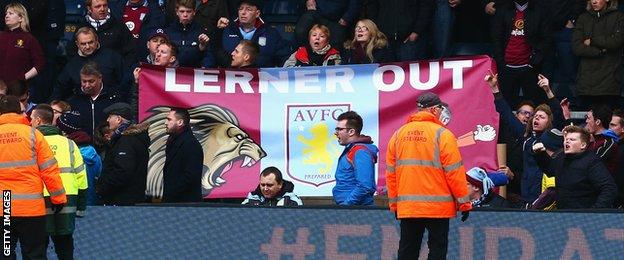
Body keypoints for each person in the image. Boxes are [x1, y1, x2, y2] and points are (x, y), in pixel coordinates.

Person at [386, 92, 472, 259]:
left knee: (407, 251)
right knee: (437, 252)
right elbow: (454, 173)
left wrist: (395, 205)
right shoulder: (443, 135)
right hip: (438, 208)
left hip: (409, 208)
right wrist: (464, 203)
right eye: (440, 108)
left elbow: (391, 174)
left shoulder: (398, 135)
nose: (441, 112)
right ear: (434, 110)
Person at [0, 94, 67, 259]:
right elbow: (49, 170)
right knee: (34, 254)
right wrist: (58, 199)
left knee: (5, 253)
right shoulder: (33, 135)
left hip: (4, 207)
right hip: (31, 209)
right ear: (19, 111)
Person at [486, 72, 565, 204]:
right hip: (527, 196)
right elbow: (507, 114)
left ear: (549, 122)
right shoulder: (526, 138)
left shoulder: (553, 138)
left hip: (548, 197)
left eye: (542, 117)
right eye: (536, 116)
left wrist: (548, 91)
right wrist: (495, 89)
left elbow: (559, 116)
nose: (536, 118)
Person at [30, 104, 88, 260]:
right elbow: (81, 177)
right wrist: (81, 207)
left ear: (38, 121)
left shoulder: (32, 144)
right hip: (67, 198)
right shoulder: (70, 144)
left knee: (38, 247)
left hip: (39, 199)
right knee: (65, 246)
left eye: (31, 119)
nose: (30, 123)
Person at [534, 125, 617, 209]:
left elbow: (609, 188)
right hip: (563, 215)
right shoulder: (561, 157)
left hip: (583, 217)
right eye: (566, 139)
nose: (567, 141)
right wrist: (541, 154)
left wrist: (594, 211)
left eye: (572, 139)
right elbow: (550, 170)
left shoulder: (591, 162)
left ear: (583, 145)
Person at [492, 0, 551, 108]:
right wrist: (501, 63)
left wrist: (534, 62)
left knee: (533, 107)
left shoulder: (540, 11)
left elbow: (546, 40)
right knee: (506, 108)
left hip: (530, 68)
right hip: (507, 68)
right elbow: (496, 39)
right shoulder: (502, 10)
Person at [572, 0, 624, 110]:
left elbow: (617, 41)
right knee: (587, 123)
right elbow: (576, 47)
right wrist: (599, 51)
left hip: (610, 82)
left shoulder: (618, 17)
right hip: (587, 83)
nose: (594, 1)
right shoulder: (583, 18)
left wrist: (592, 41)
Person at [53, 26, 128, 101]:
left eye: (90, 42)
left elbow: (126, 83)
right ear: (77, 44)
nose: (87, 46)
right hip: (82, 105)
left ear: (96, 40)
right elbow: (60, 90)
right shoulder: (72, 64)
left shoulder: (112, 57)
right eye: (83, 44)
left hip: (111, 104)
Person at [96, 102, 150, 205]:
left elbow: (122, 172)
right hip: (129, 199)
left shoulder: (127, 141)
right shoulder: (130, 139)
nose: (107, 120)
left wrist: (102, 188)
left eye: (110, 117)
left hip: (122, 201)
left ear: (119, 119)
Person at [215, 0, 292, 67]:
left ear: (257, 13)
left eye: (248, 9)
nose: (243, 12)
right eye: (240, 9)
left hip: (262, 80)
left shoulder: (270, 33)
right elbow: (213, 54)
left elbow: (284, 60)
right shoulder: (227, 29)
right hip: (230, 79)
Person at [66, 0, 137, 67]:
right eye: (98, 6)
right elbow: (72, 52)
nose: (102, 9)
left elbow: (130, 52)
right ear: (89, 8)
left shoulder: (119, 26)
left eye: (105, 5)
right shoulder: (82, 26)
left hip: (113, 75)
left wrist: (122, 70)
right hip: (88, 74)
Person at [332, 111, 378, 206]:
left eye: (339, 129)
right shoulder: (352, 149)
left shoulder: (360, 152)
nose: (335, 133)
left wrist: (347, 205)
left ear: (351, 132)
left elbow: (365, 186)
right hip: (352, 210)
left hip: (356, 211)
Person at [57, 111, 103, 207]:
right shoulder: (93, 152)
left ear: (64, 132)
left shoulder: (66, 153)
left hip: (70, 203)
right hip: (92, 204)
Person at [366, 0, 432, 61]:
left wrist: (417, 31)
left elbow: (426, 5)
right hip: (384, 39)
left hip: (410, 39)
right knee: (386, 72)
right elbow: (371, 5)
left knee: (410, 71)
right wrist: (376, 30)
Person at [68, 62, 120, 139]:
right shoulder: (74, 100)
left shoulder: (113, 98)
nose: (87, 85)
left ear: (100, 78)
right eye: (84, 81)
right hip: (83, 147)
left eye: (91, 81)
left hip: (107, 144)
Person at [162, 107, 204, 203]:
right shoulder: (174, 141)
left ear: (180, 122)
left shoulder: (191, 144)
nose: (165, 123)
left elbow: (191, 176)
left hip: (185, 205)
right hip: (175, 202)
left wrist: (172, 192)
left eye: (169, 119)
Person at [0, 2, 45, 90]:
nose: (6, 16)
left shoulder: (29, 39)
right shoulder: (1, 36)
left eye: (11, 13)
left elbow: (40, 63)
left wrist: (23, 78)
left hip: (17, 88)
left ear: (20, 18)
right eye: (6, 14)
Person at [165, 0, 214, 68]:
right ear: (177, 12)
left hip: (195, 74)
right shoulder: (168, 32)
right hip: (173, 73)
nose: (185, 15)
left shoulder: (202, 32)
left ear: (194, 12)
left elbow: (209, 57)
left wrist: (204, 68)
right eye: (182, 11)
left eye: (188, 11)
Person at [294, 0, 359, 49]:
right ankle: (304, 56)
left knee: (337, 42)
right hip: (315, 12)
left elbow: (356, 3)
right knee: (301, 31)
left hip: (337, 19)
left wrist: (346, 18)